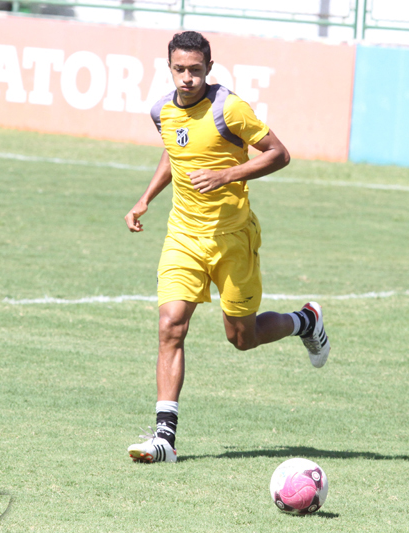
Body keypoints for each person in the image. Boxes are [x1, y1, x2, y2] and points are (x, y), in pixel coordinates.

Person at [124, 31, 330, 463]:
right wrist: (146, 198)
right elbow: (173, 152)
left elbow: (279, 153)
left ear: (209, 69)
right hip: (183, 237)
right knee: (170, 326)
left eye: (196, 70)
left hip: (232, 239)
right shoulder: (160, 110)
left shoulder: (228, 109)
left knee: (242, 337)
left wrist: (227, 175)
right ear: (169, 68)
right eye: (180, 70)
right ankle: (165, 438)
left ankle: (305, 322)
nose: (187, 79)